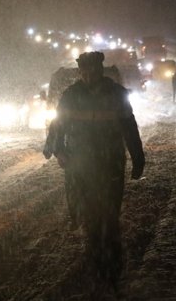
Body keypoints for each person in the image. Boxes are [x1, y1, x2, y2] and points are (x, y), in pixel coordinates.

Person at [44, 51, 145, 286]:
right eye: (84, 71)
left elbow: (130, 127)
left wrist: (138, 157)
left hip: (110, 163)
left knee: (109, 214)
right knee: (88, 213)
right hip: (81, 164)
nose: (89, 75)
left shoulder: (117, 95)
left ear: (101, 70)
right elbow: (58, 124)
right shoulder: (70, 95)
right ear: (80, 72)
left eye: (93, 70)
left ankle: (111, 262)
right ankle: (96, 258)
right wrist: (54, 148)